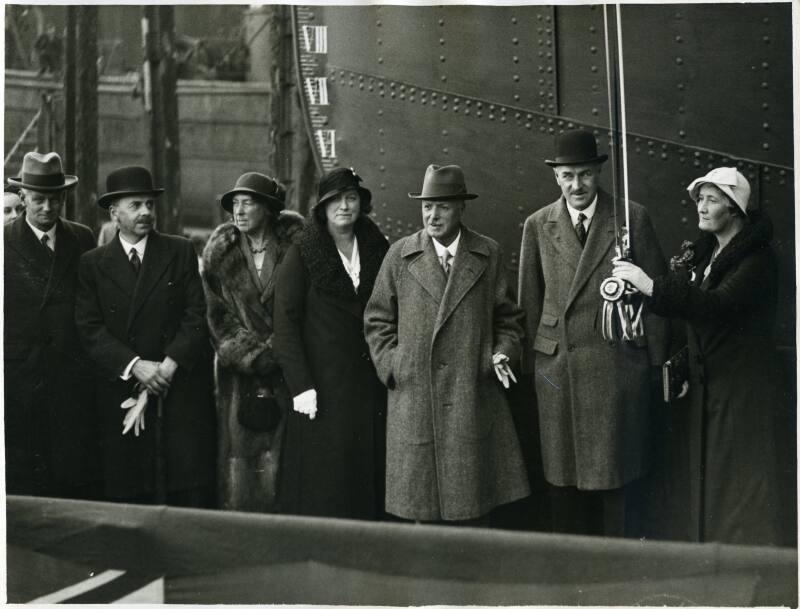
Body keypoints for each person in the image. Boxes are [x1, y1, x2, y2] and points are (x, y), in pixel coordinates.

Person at [612, 167, 794, 546]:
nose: (702, 207)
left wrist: (650, 285)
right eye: (700, 199)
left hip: (743, 391)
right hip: (714, 388)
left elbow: (716, 307)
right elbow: (696, 318)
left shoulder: (757, 261)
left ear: (735, 210)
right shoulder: (711, 252)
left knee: (739, 485)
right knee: (718, 480)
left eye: (712, 200)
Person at [517, 130, 670, 537]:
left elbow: (657, 298)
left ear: (598, 172)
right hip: (559, 371)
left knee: (617, 477)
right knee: (564, 481)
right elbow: (528, 303)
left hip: (618, 367)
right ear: (556, 178)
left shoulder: (629, 218)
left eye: (584, 175)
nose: (576, 185)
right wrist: (535, 369)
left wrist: (654, 365)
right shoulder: (537, 225)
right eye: (567, 176)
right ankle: (572, 577)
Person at [364, 164, 530, 524]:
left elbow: (510, 319)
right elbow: (377, 321)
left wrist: (502, 353)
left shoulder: (488, 254)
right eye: (427, 206)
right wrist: (395, 366)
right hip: (416, 400)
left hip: (472, 397)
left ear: (461, 208)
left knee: (472, 510)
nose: (432, 215)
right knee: (421, 514)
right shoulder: (400, 256)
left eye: (442, 206)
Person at [75, 165, 216, 506]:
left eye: (150, 205)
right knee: (130, 491)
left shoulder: (179, 250)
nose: (146, 212)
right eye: (135, 205)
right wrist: (134, 365)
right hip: (122, 390)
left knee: (181, 489)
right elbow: (89, 328)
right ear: (114, 212)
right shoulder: (92, 264)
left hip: (176, 390)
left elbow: (196, 314)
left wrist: (168, 366)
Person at [273, 168, 389, 519]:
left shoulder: (376, 246)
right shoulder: (303, 252)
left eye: (351, 198)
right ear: (322, 209)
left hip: (369, 387)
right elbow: (285, 326)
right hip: (321, 390)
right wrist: (301, 387)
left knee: (366, 479)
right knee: (325, 485)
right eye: (335, 200)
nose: (344, 206)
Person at [201, 172, 304, 512]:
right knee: (240, 464)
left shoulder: (299, 249)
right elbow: (215, 316)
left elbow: (309, 308)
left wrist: (280, 350)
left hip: (289, 373)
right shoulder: (220, 253)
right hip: (240, 377)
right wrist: (253, 355)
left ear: (269, 209)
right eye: (235, 205)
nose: (239, 212)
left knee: (288, 463)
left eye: (248, 203)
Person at [4, 151, 100, 497]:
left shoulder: (83, 238)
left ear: (64, 198)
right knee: (24, 478)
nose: (47, 207)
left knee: (71, 476)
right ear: (23, 198)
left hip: (71, 380)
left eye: (55, 199)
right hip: (18, 382)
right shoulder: (4, 242)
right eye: (39, 199)